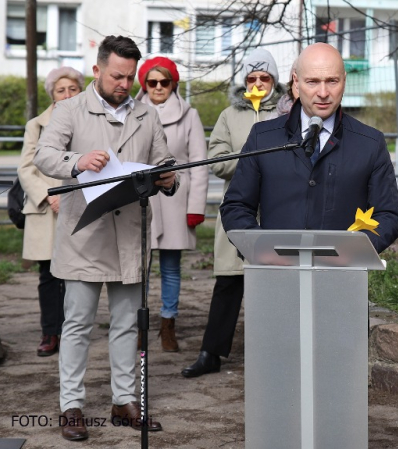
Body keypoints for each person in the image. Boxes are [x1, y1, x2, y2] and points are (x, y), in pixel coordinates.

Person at [33, 35, 176, 441]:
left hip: (130, 234)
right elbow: (44, 154)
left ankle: (124, 399)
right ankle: (71, 405)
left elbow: (165, 163)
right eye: (117, 75)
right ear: (97, 70)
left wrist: (168, 177)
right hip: (84, 234)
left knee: (127, 323)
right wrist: (76, 162)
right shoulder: (69, 109)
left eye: (131, 77)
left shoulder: (148, 116)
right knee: (77, 323)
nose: (124, 84)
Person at [219, 41, 398, 255]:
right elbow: (235, 207)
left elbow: (389, 215)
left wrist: (354, 252)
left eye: (332, 81)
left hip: (343, 276)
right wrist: (262, 250)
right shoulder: (263, 138)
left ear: (344, 80)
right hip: (275, 274)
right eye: (313, 82)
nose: (323, 92)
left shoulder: (370, 143)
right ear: (296, 82)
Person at [181, 48, 286, 378]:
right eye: (251, 78)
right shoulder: (229, 115)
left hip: (277, 210)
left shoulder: (288, 112)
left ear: (274, 81)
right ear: (243, 82)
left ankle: (274, 353)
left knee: (273, 285)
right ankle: (211, 352)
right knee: (228, 282)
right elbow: (216, 158)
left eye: (264, 78)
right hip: (237, 207)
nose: (257, 84)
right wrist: (250, 160)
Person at [136, 56, 208, 352]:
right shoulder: (133, 112)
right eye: (151, 82)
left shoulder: (189, 114)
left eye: (164, 82)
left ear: (173, 83)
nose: (158, 87)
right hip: (140, 197)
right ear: (144, 84)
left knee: (170, 267)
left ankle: (168, 325)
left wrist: (196, 207)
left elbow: (200, 163)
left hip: (176, 197)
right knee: (139, 268)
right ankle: (139, 326)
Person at [17, 66, 84, 357]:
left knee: (76, 274)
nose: (67, 95)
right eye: (61, 90)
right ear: (52, 94)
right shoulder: (36, 124)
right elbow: (26, 168)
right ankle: (50, 332)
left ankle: (72, 331)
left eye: (73, 89)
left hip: (78, 207)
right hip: (46, 210)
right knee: (48, 275)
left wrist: (69, 196)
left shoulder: (88, 123)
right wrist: (50, 196)